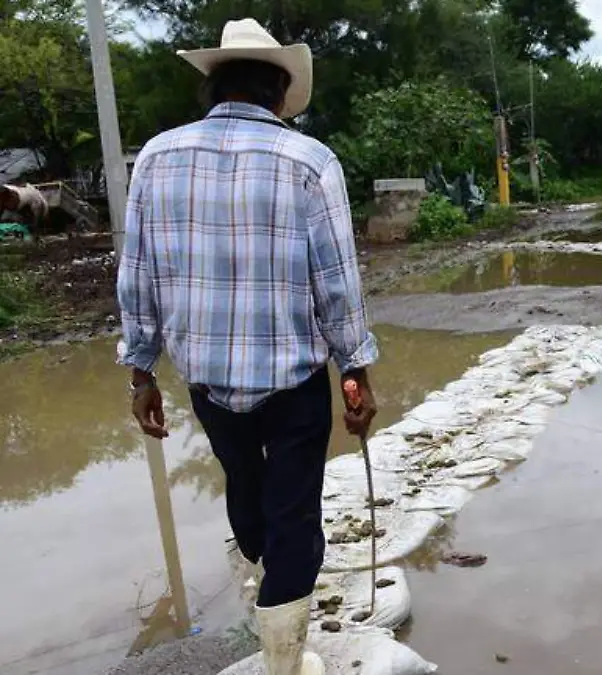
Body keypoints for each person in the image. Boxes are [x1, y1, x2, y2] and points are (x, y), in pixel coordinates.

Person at [116, 19, 378, 675]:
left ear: (214, 86)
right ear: (280, 92)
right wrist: (357, 370)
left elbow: (137, 276)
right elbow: (337, 286)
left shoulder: (155, 157)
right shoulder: (311, 163)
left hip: (207, 383)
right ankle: (284, 659)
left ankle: (274, 618)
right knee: (294, 516)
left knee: (247, 489)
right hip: (292, 384)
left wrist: (141, 373)